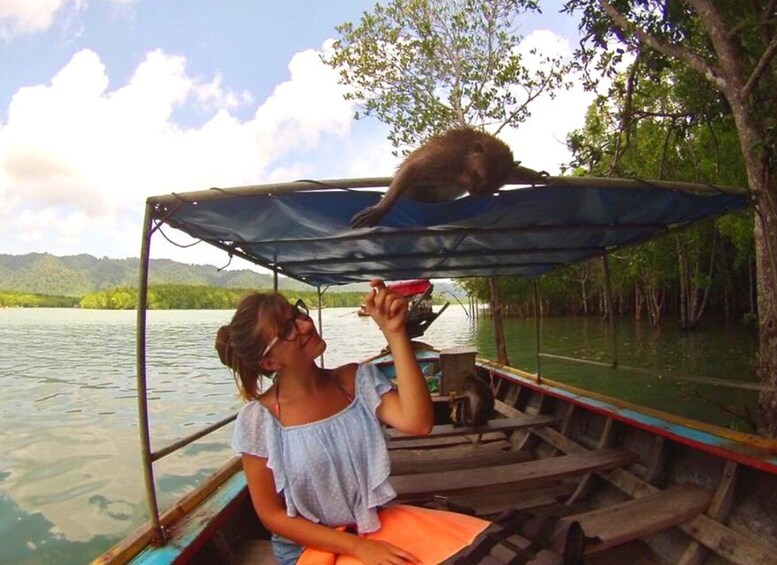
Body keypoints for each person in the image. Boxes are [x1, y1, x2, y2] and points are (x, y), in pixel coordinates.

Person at [216, 279, 434, 565]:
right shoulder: (260, 420)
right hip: (309, 548)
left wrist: (394, 333)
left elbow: (418, 423)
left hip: (373, 527)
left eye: (296, 313)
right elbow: (272, 515)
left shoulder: (354, 382)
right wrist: (356, 547)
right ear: (269, 363)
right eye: (287, 330)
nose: (305, 325)